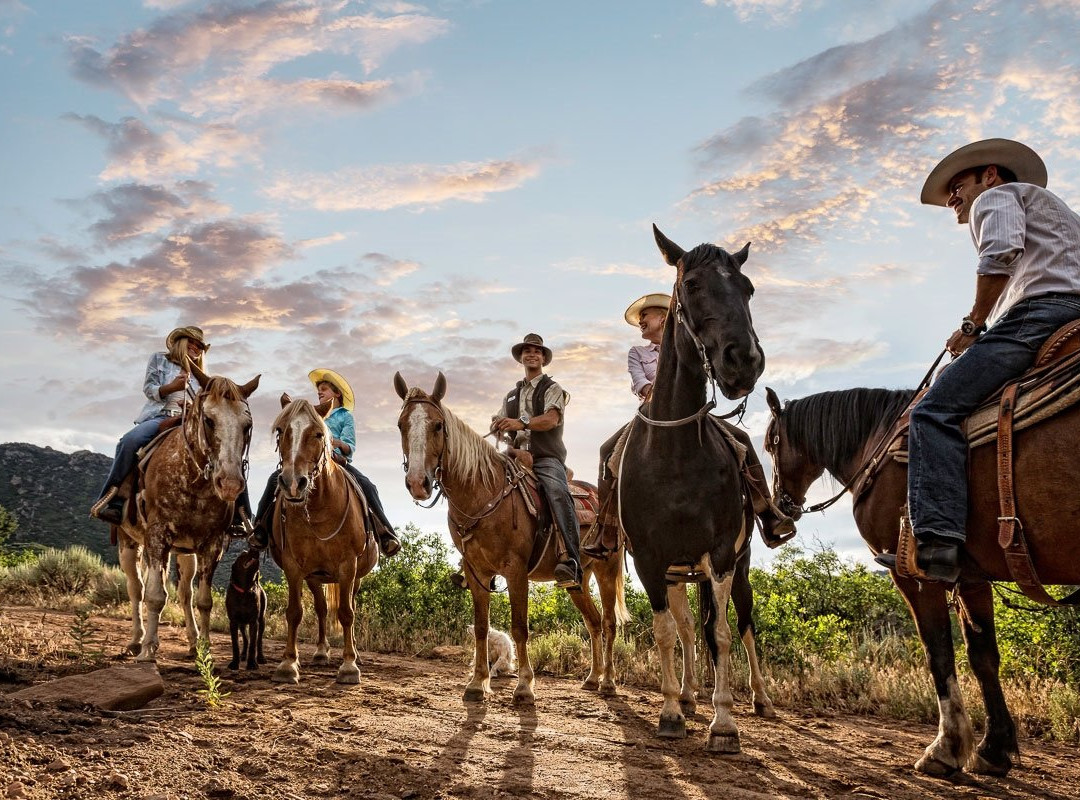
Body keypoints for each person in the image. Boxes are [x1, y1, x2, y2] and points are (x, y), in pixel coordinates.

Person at [876, 138, 1080, 582]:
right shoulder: (1062, 215)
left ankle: (938, 542)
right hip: (1068, 311)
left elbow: (1000, 252)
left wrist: (973, 325)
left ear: (989, 174)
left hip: (1038, 316)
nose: (952, 198)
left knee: (933, 409)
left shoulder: (998, 196)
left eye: (957, 185)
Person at [584, 295, 795, 558]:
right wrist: (658, 392)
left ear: (663, 318)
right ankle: (607, 526)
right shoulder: (636, 353)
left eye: (645, 316)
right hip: (650, 415)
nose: (641, 321)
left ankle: (767, 513)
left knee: (741, 440)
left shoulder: (688, 346)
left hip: (693, 414)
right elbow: (641, 385)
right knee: (607, 451)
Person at [250, 368, 401, 558]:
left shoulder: (345, 416)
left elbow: (349, 446)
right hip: (309, 463)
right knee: (274, 480)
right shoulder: (312, 414)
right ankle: (260, 528)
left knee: (368, 486)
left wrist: (330, 442)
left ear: (337, 394)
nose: (320, 392)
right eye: (318, 390)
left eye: (324, 389)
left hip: (337, 461)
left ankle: (385, 533)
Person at [90, 326, 223, 526]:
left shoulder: (204, 376)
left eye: (200, 346)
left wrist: (192, 406)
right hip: (160, 416)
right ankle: (112, 499)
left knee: (224, 448)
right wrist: (172, 388)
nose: (196, 348)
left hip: (191, 421)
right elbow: (149, 388)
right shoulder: (159, 359)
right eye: (192, 342)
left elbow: (208, 405)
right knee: (129, 441)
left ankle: (237, 512)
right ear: (181, 342)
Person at [491, 333, 582, 589]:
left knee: (557, 492)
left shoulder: (553, 389)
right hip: (514, 455)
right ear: (521, 357)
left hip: (545, 456)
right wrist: (497, 426)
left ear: (543, 358)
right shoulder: (510, 396)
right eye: (527, 351)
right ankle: (477, 559)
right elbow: (499, 421)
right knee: (483, 482)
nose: (532, 354)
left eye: (537, 351)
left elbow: (552, 420)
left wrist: (521, 423)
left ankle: (571, 560)